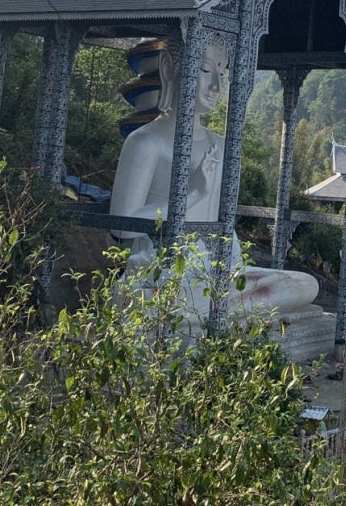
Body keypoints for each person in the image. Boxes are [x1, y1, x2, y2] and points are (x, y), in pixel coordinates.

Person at [109, 33, 317, 326]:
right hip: (163, 273)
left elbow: (222, 228)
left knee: (305, 283)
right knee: (166, 298)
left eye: (223, 73)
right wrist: (191, 195)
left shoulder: (221, 146)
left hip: (214, 271)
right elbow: (122, 229)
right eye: (206, 70)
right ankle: (218, 312)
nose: (217, 86)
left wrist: (232, 266)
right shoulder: (145, 142)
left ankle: (216, 310)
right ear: (170, 69)